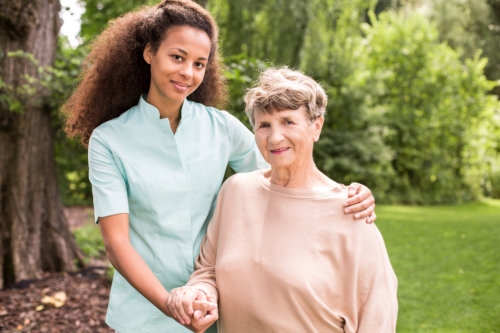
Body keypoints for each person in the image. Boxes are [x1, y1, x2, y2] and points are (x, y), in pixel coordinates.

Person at [61, 1, 377, 332]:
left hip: (219, 304)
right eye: (177, 57)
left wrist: (342, 193)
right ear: (149, 53)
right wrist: (169, 303)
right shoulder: (109, 140)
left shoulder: (221, 127)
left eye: (199, 63)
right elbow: (116, 243)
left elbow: (285, 174)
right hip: (145, 315)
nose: (188, 72)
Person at [167, 67, 398, 333]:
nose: (275, 137)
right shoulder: (235, 192)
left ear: (316, 127)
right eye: (264, 125)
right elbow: (207, 270)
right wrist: (197, 294)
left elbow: (377, 318)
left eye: (288, 121)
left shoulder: (352, 213)